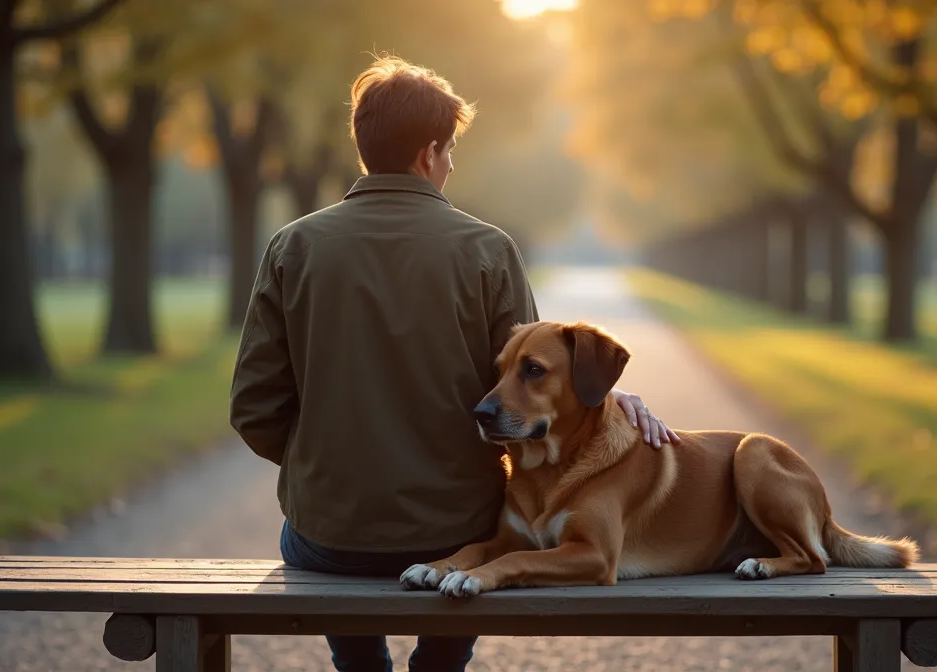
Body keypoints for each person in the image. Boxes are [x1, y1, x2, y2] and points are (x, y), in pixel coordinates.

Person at [228, 55, 680, 672]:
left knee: (309, 553)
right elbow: (535, 379)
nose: (450, 165)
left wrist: (328, 462)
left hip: (328, 537)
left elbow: (254, 408)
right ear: (428, 153)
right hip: (455, 530)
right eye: (449, 152)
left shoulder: (292, 247)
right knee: (485, 545)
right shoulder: (488, 251)